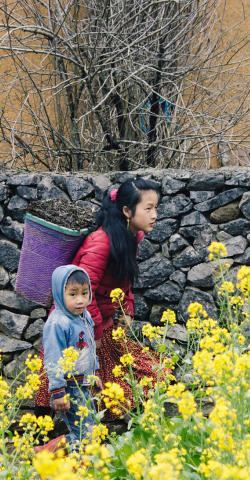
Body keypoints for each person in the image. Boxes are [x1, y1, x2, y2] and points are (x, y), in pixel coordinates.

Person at [34, 177, 165, 419]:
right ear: (127, 211)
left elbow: (124, 281)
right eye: (148, 208)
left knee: (145, 372)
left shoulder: (130, 237)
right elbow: (85, 291)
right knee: (65, 377)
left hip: (99, 322)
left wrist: (127, 309)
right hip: (76, 322)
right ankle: (42, 432)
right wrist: (94, 334)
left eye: (156, 208)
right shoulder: (101, 242)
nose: (154, 214)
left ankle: (91, 426)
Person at [41, 265, 102, 450]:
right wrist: (58, 392)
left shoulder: (85, 316)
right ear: (60, 294)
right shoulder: (58, 323)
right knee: (85, 435)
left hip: (83, 384)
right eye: (73, 294)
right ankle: (44, 454)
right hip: (69, 387)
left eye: (85, 293)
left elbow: (90, 347)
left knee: (91, 430)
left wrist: (95, 374)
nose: (80, 300)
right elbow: (53, 359)